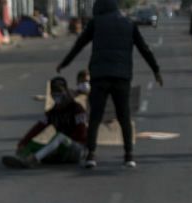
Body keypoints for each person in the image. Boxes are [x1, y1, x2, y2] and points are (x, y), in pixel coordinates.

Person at [57, 0, 162, 169]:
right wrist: (156, 70)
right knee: (124, 117)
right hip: (122, 77)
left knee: (95, 117)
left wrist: (65, 63)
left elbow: (79, 44)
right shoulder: (129, 23)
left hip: (99, 76)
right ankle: (129, 156)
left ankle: (91, 155)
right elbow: (144, 48)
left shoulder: (96, 23)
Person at [3, 76, 88, 168]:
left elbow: (81, 133)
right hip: (62, 151)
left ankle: (32, 160)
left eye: (59, 92)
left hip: (77, 148)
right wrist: (23, 143)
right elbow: (37, 128)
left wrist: (59, 144)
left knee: (60, 137)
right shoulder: (52, 113)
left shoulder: (77, 109)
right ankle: (21, 158)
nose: (57, 95)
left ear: (66, 92)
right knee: (31, 144)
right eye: (54, 93)